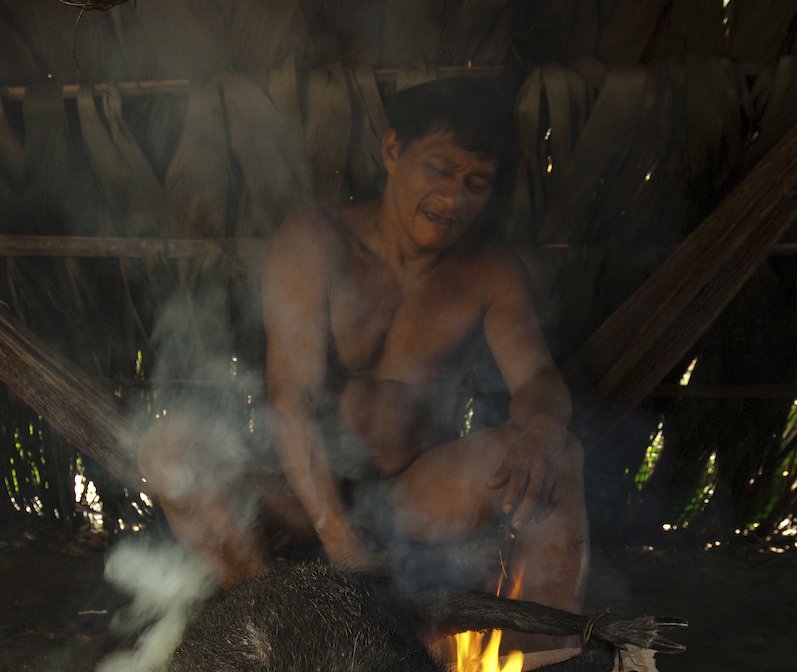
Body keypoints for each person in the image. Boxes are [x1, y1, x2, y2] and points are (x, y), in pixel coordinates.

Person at [140, 79, 588, 614]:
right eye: (441, 170)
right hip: (297, 498)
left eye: (476, 182)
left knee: (558, 455)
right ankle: (273, 619)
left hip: (413, 495)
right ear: (394, 151)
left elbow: (535, 377)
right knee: (170, 449)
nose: (453, 199)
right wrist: (341, 545)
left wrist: (540, 433)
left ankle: (540, 665)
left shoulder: (490, 271)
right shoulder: (315, 243)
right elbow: (292, 399)